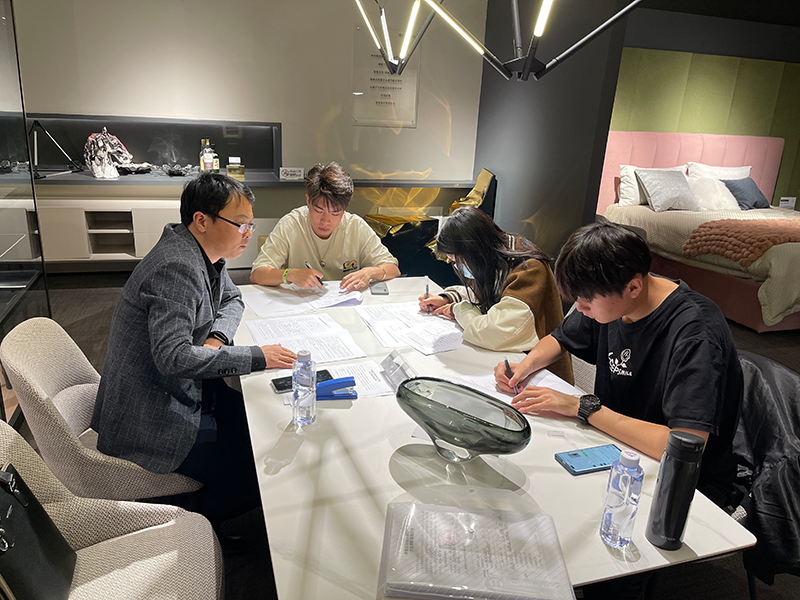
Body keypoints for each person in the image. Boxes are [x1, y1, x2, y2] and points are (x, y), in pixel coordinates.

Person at [91, 173, 297, 527]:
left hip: (185, 390)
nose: (248, 233)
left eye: (250, 225)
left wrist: (216, 339)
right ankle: (176, 520)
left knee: (261, 429)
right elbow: (174, 358)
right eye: (241, 224)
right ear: (201, 220)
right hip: (152, 414)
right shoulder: (177, 266)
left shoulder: (201, 251)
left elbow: (232, 298)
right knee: (257, 477)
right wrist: (256, 357)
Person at [494, 221, 742, 510]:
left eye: (586, 301)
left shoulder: (695, 333)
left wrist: (583, 408)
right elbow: (560, 339)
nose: (580, 308)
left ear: (634, 287)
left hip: (681, 485)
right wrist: (524, 366)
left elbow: (683, 444)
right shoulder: (614, 295)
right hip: (616, 447)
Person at [419, 207, 573, 384]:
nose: (458, 266)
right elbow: (484, 296)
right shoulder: (495, 255)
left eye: (458, 260)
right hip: (511, 366)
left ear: (474, 251)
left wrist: (459, 309)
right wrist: (448, 298)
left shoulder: (528, 269)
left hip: (540, 377)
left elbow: (491, 332)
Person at [250, 161, 400, 291]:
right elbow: (257, 274)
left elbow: (392, 268)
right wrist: (289, 274)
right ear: (308, 201)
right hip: (301, 304)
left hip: (345, 303)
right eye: (319, 210)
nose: (325, 221)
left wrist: (371, 272)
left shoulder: (356, 226)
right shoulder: (291, 224)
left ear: (344, 209)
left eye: (335, 213)